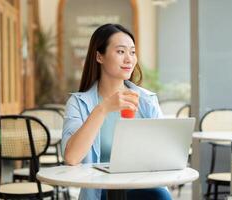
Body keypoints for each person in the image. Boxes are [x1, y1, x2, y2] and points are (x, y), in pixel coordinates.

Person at [62, 24, 172, 200]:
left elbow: (165, 154)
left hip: (143, 188)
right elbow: (71, 158)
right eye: (121, 52)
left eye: (132, 52)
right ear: (99, 56)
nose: (129, 59)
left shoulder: (146, 101)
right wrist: (103, 109)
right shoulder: (78, 103)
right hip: (100, 192)